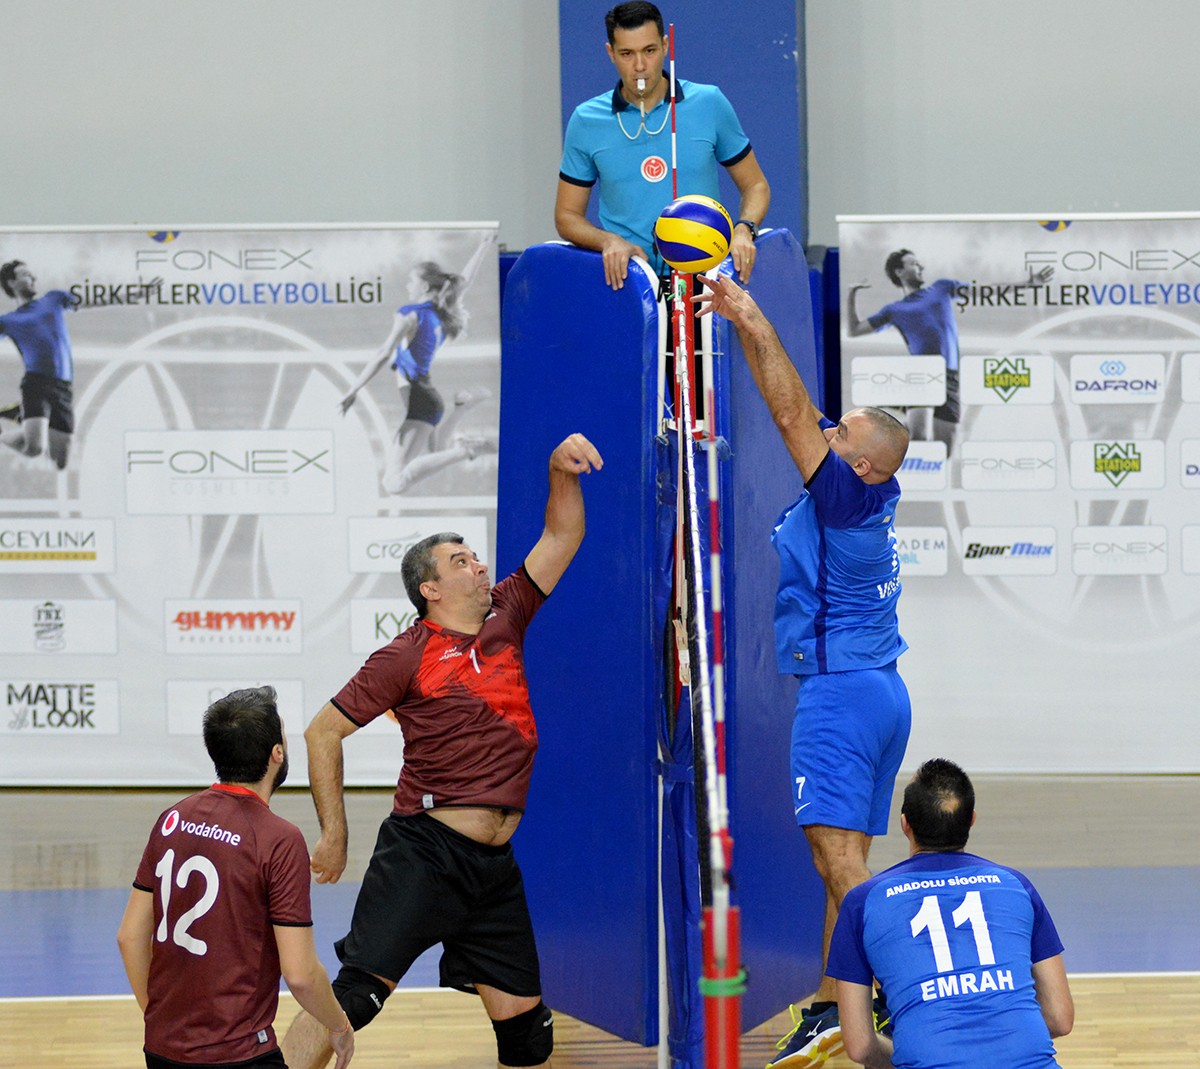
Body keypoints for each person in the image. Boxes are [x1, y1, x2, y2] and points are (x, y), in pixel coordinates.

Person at [281, 433, 604, 1069]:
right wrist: (335, 835)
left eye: (476, 557)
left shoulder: (508, 612)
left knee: (528, 1041)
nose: (479, 566)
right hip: (425, 856)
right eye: (461, 561)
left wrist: (558, 471)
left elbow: (563, 535)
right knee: (353, 999)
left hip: (493, 869)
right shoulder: (404, 656)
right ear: (430, 588)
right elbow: (323, 732)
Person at [694, 273, 911, 1069]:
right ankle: (831, 1004)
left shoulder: (846, 498)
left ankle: (903, 988)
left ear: (862, 464)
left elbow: (790, 415)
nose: (827, 427)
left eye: (841, 432)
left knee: (839, 864)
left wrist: (747, 308)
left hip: (840, 694)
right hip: (882, 692)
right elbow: (791, 403)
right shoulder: (868, 486)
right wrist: (745, 335)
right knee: (839, 863)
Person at [116, 686, 355, 1069]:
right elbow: (301, 974)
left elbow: (129, 937)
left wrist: (158, 1018)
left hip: (161, 1049)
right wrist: (338, 1025)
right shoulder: (279, 839)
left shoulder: (171, 819)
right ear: (277, 754)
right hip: (239, 1052)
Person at [828, 758, 1075, 1069]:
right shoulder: (1016, 885)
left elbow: (860, 1046)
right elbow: (1060, 1018)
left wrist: (909, 1054)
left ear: (905, 825)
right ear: (971, 820)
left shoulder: (862, 902)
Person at [555, 2, 769, 290]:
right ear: (611, 53)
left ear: (665, 46)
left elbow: (756, 185)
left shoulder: (709, 103)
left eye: (649, 51)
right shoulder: (586, 120)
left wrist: (745, 228)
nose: (640, 66)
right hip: (629, 284)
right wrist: (608, 240)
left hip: (707, 282)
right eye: (627, 54)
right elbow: (567, 216)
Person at [846, 250, 1052, 450]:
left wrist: (1027, 284)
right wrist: (851, 294)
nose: (921, 266)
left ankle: (895, 426)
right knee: (920, 437)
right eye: (914, 264)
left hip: (950, 377)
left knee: (946, 447)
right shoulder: (894, 310)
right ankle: (893, 433)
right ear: (899, 272)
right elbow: (855, 330)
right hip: (922, 376)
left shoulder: (941, 288)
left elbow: (985, 291)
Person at [339, 233, 497, 494]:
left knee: (394, 483)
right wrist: (483, 245)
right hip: (427, 398)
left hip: (421, 401)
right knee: (437, 452)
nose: (407, 286)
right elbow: (464, 282)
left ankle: (466, 449)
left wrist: (353, 390)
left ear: (424, 286)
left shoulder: (410, 315)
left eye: (411, 281)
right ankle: (460, 410)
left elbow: (383, 353)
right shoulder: (441, 314)